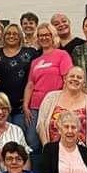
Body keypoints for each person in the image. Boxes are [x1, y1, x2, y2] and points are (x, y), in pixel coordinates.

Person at [23, 22, 73, 154]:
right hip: (35, 106)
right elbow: (30, 84)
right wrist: (25, 106)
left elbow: (67, 79)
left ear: (53, 36)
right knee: (32, 141)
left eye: (47, 35)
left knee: (53, 140)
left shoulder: (62, 55)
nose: (43, 38)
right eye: (40, 36)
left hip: (54, 105)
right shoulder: (35, 61)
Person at [36, 66, 87, 146]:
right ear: (65, 79)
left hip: (81, 154)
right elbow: (41, 124)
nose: (75, 79)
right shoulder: (50, 97)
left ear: (84, 83)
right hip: (52, 153)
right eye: (72, 76)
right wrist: (47, 148)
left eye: (79, 77)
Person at [0, 24, 39, 133]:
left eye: (15, 34)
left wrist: (28, 100)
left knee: (20, 135)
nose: (11, 36)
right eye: (8, 33)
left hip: (22, 106)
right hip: (1, 105)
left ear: (20, 36)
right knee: (4, 136)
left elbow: (35, 77)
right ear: (3, 36)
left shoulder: (30, 52)